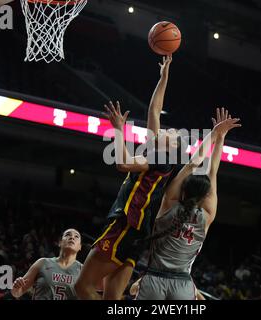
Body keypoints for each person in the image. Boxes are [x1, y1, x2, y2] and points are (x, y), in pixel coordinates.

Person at [76, 55, 188, 300]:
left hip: (127, 223)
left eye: (170, 133)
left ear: (172, 146)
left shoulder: (162, 158)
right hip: (138, 232)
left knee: (82, 286)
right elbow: (154, 110)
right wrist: (164, 76)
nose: (165, 130)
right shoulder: (158, 153)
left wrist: (118, 130)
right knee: (112, 297)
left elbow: (123, 163)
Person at [135, 108, 241, 300]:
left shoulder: (170, 203)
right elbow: (212, 171)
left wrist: (213, 133)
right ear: (205, 196)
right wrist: (221, 138)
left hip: (154, 280)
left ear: (182, 191)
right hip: (182, 286)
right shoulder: (206, 216)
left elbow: (193, 163)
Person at [11, 229, 83, 300]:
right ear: (60, 242)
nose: (72, 237)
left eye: (76, 236)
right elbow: (17, 293)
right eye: (67, 235)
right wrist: (16, 288)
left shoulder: (83, 270)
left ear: (80, 247)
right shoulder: (42, 263)